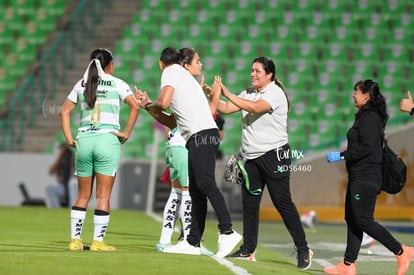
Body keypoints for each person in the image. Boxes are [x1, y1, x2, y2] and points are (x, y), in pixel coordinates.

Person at [136, 47, 241, 257]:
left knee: (206, 184)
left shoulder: (171, 71)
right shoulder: (184, 80)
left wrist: (153, 103)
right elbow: (172, 120)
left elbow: (163, 103)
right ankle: (192, 241)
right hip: (200, 135)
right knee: (195, 190)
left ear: (160, 64)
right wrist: (149, 107)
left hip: (201, 135)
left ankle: (227, 231)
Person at [212, 56, 313, 269]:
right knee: (250, 205)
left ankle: (303, 249)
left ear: (270, 75)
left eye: (257, 71)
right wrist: (211, 95)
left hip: (274, 155)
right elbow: (227, 108)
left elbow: (256, 107)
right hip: (251, 158)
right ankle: (248, 249)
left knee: (282, 203)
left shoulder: (275, 93)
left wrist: (227, 93)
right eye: (252, 70)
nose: (253, 74)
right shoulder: (249, 91)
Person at [325, 80, 413, 275]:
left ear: (367, 96)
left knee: (364, 220)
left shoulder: (369, 118)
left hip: (366, 177)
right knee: (353, 218)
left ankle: (401, 251)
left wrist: (340, 155)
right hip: (359, 176)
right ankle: (348, 265)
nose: (353, 95)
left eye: (356, 91)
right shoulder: (366, 117)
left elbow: (368, 149)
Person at [60, 48, 139, 251]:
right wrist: (127, 133)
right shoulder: (118, 83)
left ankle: (75, 240)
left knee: (82, 195)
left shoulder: (82, 83)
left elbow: (64, 110)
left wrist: (69, 137)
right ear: (110, 65)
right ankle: (97, 242)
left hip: (84, 140)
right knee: (103, 196)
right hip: (107, 140)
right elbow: (135, 106)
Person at [156, 127, 192, 253]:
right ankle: (189, 242)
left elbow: (166, 134)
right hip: (183, 147)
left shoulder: (175, 107)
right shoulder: (194, 106)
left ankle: (164, 241)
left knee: (175, 193)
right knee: (187, 192)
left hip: (173, 146)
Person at [46, 142, 77, 208]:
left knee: (72, 183)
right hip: (63, 186)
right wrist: (60, 156)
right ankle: (56, 209)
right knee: (50, 188)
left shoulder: (74, 158)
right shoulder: (59, 160)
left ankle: (72, 208)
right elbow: (51, 171)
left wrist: (73, 155)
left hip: (75, 188)